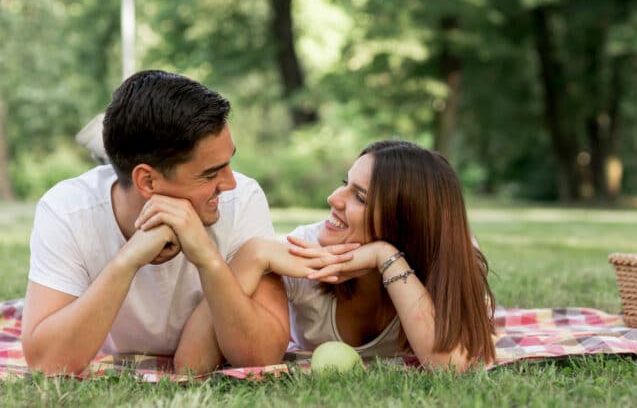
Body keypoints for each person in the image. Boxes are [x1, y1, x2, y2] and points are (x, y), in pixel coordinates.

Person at [21, 70, 291, 375]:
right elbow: (46, 364)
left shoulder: (242, 201)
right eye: (210, 173)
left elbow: (263, 355)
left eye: (229, 164)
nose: (229, 183)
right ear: (147, 180)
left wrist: (208, 260)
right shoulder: (67, 210)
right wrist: (128, 260)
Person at [181, 140, 496, 372]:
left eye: (359, 196)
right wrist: (253, 254)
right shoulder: (301, 251)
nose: (333, 198)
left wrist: (385, 257)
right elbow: (191, 365)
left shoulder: (451, 253)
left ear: (406, 222)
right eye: (345, 183)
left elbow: (452, 365)